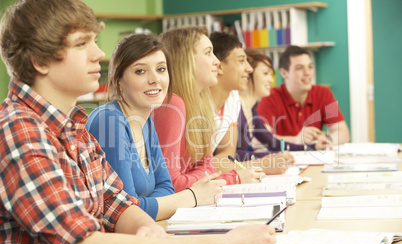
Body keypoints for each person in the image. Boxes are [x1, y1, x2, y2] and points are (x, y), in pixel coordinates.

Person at [0, 0, 277, 244]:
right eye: (82, 44)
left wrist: (148, 230)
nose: (98, 53)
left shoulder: (73, 126)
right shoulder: (19, 130)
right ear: (40, 60)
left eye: (94, 41)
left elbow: (116, 203)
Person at [86, 33, 225, 221]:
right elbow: (126, 211)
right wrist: (191, 196)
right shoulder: (110, 120)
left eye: (161, 69)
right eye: (140, 71)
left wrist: (147, 204)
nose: (155, 79)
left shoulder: (146, 120)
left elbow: (166, 187)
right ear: (118, 81)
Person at [153, 26, 261, 189]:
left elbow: (207, 166)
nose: (216, 61)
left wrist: (202, 175)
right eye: (208, 52)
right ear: (186, 60)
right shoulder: (172, 104)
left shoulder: (200, 104)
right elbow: (172, 184)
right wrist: (233, 178)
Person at [209, 31, 292, 174]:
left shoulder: (232, 98)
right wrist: (262, 161)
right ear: (219, 66)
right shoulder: (205, 104)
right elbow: (213, 162)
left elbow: (224, 157)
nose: (249, 69)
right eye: (241, 61)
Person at [237, 49, 332, 161]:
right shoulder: (236, 109)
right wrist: (271, 157)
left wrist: (313, 146)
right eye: (266, 73)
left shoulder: (251, 109)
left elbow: (272, 143)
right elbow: (230, 156)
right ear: (247, 74)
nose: (271, 80)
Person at [256, 45, 350, 145]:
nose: (307, 73)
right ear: (284, 73)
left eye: (310, 67)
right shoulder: (270, 97)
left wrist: (327, 140)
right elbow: (257, 140)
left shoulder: (324, 94)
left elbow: (343, 133)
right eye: (299, 68)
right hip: (285, 158)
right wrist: (296, 140)